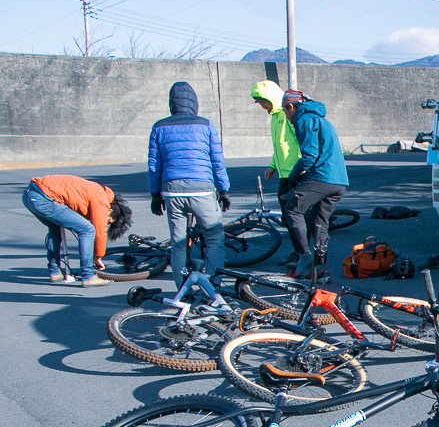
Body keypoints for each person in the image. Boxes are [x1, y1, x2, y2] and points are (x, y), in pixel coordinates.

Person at [147, 80, 232, 289]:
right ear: (194, 102)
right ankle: (213, 288)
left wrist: (155, 195)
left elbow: (154, 164)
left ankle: (183, 292)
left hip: (172, 191)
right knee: (213, 238)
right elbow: (217, 161)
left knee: (178, 244)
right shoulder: (205, 124)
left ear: (171, 103)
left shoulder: (159, 126)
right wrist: (224, 190)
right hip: (202, 190)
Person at [280, 89, 349, 281]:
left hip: (322, 176)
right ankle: (319, 268)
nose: (286, 116)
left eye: (285, 111)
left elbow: (310, 155)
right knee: (319, 222)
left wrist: (293, 176)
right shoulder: (321, 119)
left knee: (293, 208)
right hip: (339, 181)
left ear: (291, 106)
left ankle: (304, 258)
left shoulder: (304, 119)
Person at [22, 174, 133, 286]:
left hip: (30, 194)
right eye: (108, 221)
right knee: (87, 230)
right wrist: (97, 256)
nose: (106, 222)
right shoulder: (101, 199)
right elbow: (100, 231)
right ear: (109, 211)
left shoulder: (94, 189)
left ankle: (54, 272)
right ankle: (88, 276)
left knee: (54, 229)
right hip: (43, 198)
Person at [250, 80, 302, 266]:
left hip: (296, 173)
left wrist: (302, 167)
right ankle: (298, 252)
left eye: (263, 101)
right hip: (284, 174)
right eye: (259, 102)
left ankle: (302, 255)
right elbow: (279, 147)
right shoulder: (275, 117)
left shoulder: (287, 114)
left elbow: (299, 141)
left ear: (271, 97)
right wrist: (273, 166)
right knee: (288, 217)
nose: (262, 105)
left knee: (294, 216)